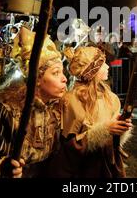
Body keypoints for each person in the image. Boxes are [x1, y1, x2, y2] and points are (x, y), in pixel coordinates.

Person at [0, 36, 67, 178]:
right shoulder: (6, 109)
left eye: (62, 72)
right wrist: (3, 165)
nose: (64, 78)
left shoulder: (56, 107)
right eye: (56, 73)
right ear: (37, 79)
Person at [53, 46, 132, 178]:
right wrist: (104, 130)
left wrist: (121, 127)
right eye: (102, 64)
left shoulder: (111, 98)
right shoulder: (71, 100)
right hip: (83, 170)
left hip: (107, 167)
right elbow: (69, 146)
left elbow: (114, 141)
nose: (107, 67)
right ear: (92, 69)